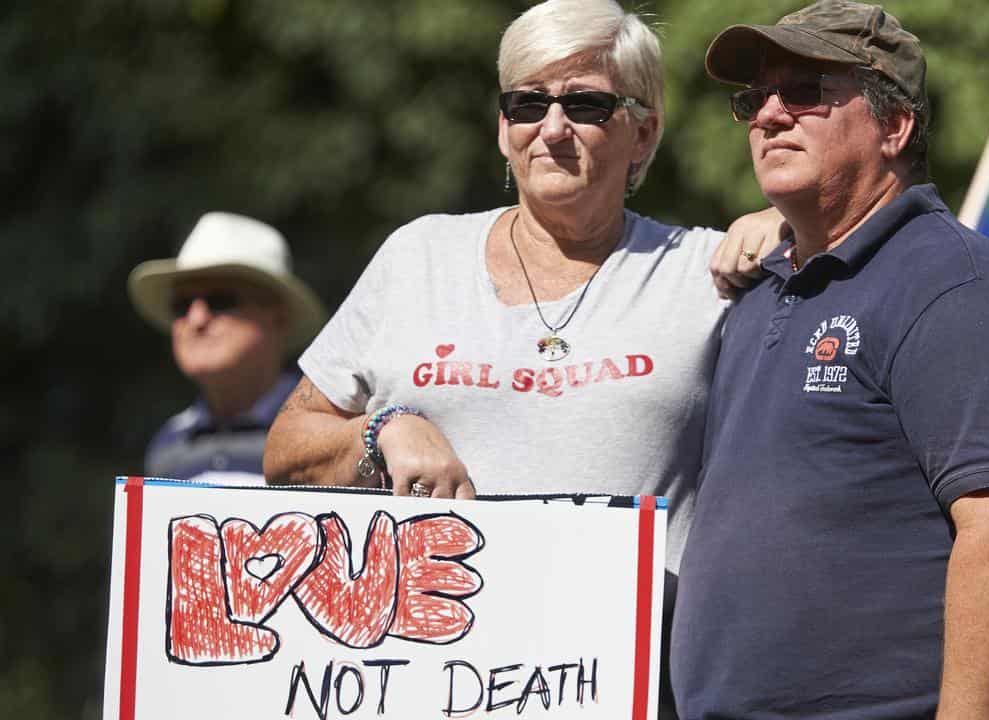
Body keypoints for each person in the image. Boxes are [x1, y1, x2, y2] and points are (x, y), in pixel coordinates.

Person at [262, 1, 779, 714]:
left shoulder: (707, 270)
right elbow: (286, 451)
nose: (552, 128)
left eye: (587, 104)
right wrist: (381, 432)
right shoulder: (418, 255)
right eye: (527, 103)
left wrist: (786, 218)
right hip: (426, 689)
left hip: (631, 690)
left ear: (644, 132)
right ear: (503, 127)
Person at [671, 2, 989, 719]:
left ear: (893, 127)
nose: (769, 114)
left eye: (804, 91)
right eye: (754, 98)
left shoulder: (957, 289)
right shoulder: (762, 290)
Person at [129, 211, 326, 485]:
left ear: (278, 318)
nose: (196, 320)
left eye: (220, 301)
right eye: (182, 306)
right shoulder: (168, 442)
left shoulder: (327, 430)